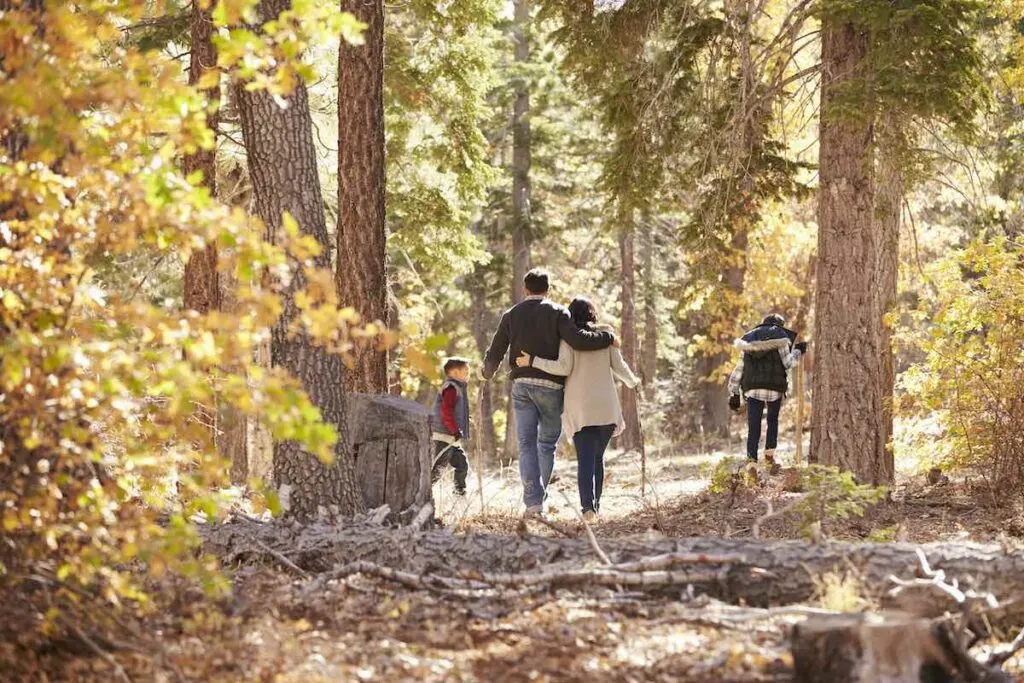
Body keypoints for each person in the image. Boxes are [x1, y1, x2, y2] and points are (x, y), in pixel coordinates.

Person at [482, 269, 615, 516]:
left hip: (522, 387)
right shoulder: (558, 312)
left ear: (525, 289)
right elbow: (579, 340)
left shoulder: (511, 314)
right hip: (552, 388)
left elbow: (497, 348)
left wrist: (486, 372)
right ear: (548, 290)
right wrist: (607, 338)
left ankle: (534, 502)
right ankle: (540, 496)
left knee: (526, 445)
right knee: (546, 444)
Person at [515, 297, 638, 522]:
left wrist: (532, 361)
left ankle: (588, 509)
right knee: (598, 458)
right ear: (592, 314)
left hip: (582, 409)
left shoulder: (568, 339)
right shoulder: (606, 336)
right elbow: (620, 367)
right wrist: (633, 382)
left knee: (586, 460)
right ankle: (595, 506)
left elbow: (562, 368)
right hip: (606, 408)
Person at [728, 314, 807, 471]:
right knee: (772, 421)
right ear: (779, 325)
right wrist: (798, 351)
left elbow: (738, 370)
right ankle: (769, 459)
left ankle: (751, 463)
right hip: (774, 388)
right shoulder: (782, 337)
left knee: (754, 426)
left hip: (753, 389)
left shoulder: (748, 340)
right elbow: (788, 363)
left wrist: (734, 393)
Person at [430, 357, 472, 495]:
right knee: (438, 469)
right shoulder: (451, 388)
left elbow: (455, 411)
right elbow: (445, 411)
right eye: (465, 370)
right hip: (444, 435)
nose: (468, 373)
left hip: (452, 437)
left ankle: (459, 493)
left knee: (462, 465)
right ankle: (423, 494)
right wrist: (454, 430)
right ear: (454, 373)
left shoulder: (459, 389)